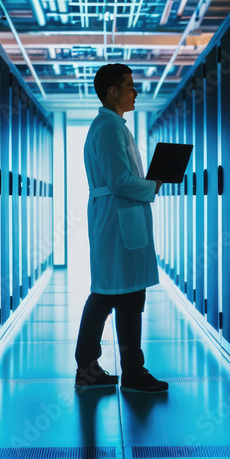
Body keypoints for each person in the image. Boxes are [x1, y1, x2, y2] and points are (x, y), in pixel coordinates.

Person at [74, 63, 169, 393]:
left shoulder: (114, 126)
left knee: (120, 296)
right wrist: (152, 185)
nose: (135, 92)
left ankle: (104, 369)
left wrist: (147, 184)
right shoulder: (108, 128)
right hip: (117, 222)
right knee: (112, 296)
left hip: (119, 220)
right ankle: (116, 370)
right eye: (130, 86)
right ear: (112, 91)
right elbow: (119, 180)